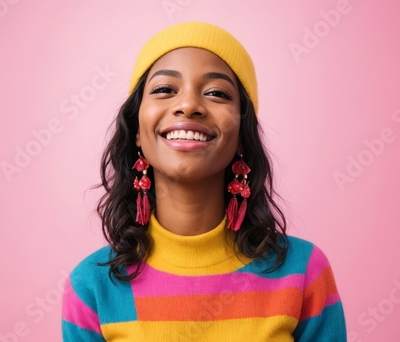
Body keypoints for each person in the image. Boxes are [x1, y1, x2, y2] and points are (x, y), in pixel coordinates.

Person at [61, 21, 346, 341]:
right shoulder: (92, 288)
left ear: (242, 135)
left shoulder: (304, 273)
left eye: (216, 93)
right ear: (138, 131)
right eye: (164, 89)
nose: (188, 106)